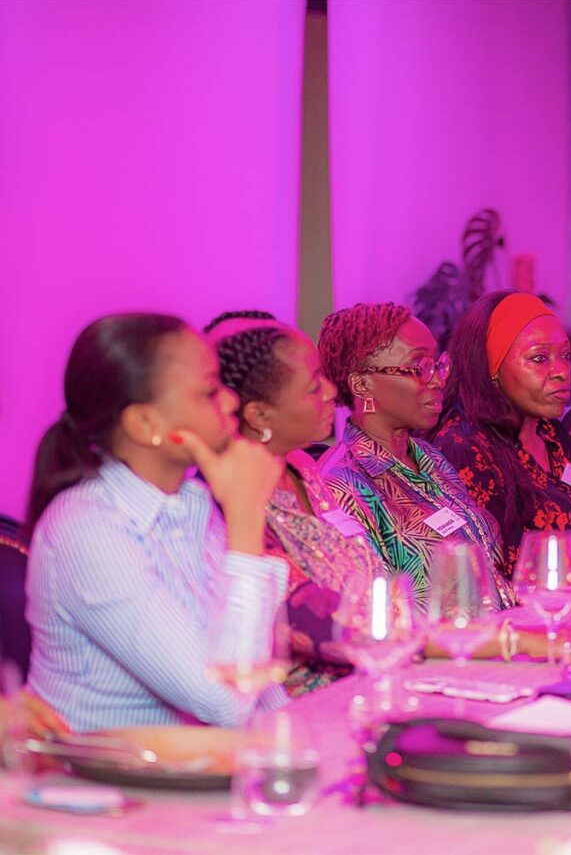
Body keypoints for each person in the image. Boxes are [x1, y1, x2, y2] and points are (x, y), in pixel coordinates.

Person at [25, 314, 287, 732]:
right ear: (146, 424)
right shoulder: (86, 530)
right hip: (107, 770)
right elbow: (227, 700)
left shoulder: (191, 504)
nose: (230, 402)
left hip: (203, 762)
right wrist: (245, 514)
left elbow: (261, 690)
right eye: (209, 391)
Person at [207, 311, 384, 696]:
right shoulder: (228, 500)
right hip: (296, 703)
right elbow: (308, 620)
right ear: (259, 415)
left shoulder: (302, 468)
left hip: (369, 677)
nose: (331, 392)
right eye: (313, 387)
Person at [316, 303, 513, 609]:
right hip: (434, 640)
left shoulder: (431, 459)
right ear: (362, 384)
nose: (438, 380)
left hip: (495, 632)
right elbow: (371, 612)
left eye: (438, 364)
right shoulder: (341, 486)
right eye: (419, 367)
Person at [431, 292, 571, 573]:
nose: (562, 372)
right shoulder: (465, 450)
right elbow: (483, 574)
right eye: (539, 358)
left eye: (565, 355)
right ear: (492, 369)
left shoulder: (552, 435)